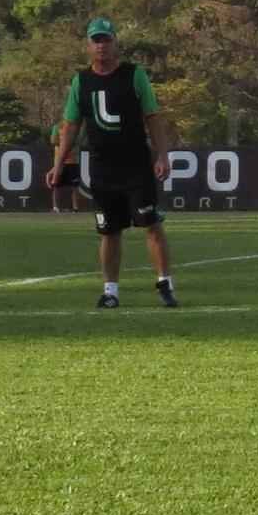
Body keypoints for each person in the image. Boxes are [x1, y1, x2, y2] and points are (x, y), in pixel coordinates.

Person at [45, 17, 179, 309]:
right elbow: (71, 124)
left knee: (151, 224)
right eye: (96, 40)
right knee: (108, 230)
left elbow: (152, 117)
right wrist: (58, 165)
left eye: (106, 39)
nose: (101, 45)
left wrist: (163, 155)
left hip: (136, 165)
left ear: (115, 42)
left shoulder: (134, 75)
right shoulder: (81, 80)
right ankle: (111, 291)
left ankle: (165, 283)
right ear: (88, 45)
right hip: (102, 168)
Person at [48, 122, 87, 213]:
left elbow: (80, 141)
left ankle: (75, 208)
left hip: (73, 161)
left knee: (74, 186)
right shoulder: (57, 126)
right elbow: (53, 141)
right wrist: (64, 143)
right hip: (60, 161)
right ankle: (56, 208)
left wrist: (71, 142)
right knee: (56, 185)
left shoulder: (77, 127)